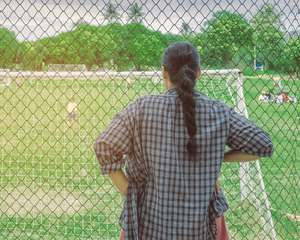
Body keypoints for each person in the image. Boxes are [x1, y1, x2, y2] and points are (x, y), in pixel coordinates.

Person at [94, 42, 274, 239]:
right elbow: (263, 145)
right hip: (201, 228)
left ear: (164, 72)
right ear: (199, 73)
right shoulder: (219, 112)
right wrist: (218, 157)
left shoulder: (140, 109)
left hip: (147, 225)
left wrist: (130, 193)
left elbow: (104, 146)